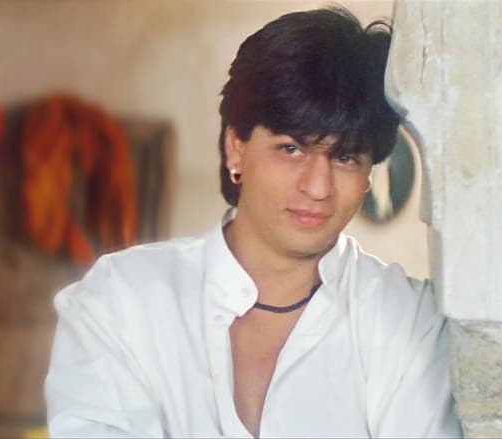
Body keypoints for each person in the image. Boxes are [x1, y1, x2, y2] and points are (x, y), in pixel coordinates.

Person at [45, 6, 461, 438]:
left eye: (345, 157)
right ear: (236, 148)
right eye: (291, 149)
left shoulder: (409, 319)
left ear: (369, 172)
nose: (318, 187)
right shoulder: (119, 300)